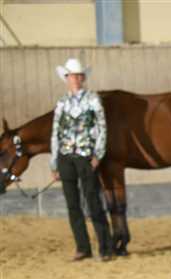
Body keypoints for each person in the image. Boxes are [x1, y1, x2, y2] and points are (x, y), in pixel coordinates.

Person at [50, 57, 112, 261]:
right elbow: (55, 133)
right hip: (65, 157)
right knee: (73, 204)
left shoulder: (93, 100)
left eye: (78, 76)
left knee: (93, 201)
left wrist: (98, 155)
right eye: (72, 76)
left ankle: (105, 248)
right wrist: (54, 163)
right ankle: (83, 247)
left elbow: (102, 128)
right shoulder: (61, 102)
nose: (75, 79)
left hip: (86, 157)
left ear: (83, 78)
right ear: (66, 78)